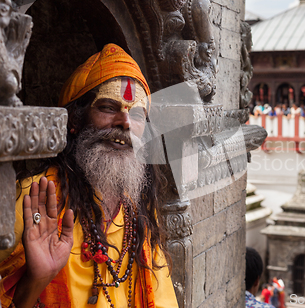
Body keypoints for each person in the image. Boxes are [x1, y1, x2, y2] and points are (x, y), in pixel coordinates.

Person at [0, 44, 178, 307]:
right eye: (108, 107)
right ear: (76, 119)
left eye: (137, 113)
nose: (125, 122)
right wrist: (37, 279)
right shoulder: (34, 197)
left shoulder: (137, 210)